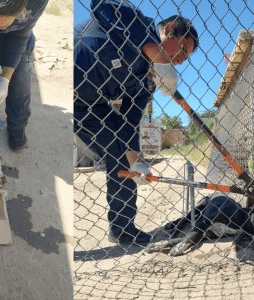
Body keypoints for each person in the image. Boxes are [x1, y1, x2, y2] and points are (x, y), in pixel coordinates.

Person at [74, 0, 199, 245]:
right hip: (72, 76)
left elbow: (129, 124)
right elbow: (99, 5)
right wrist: (157, 53)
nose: (182, 59)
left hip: (89, 108)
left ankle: (123, 228)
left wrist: (137, 162)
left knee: (120, 152)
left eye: (187, 57)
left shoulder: (146, 81)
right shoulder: (135, 20)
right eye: (183, 49)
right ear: (170, 28)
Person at [0, 0, 48, 151]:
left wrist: (5, 80)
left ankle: (17, 131)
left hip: (14, 33)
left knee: (19, 80)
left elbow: (20, 37)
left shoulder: (36, 3)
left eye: (1, 25)